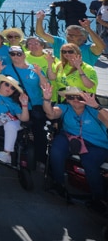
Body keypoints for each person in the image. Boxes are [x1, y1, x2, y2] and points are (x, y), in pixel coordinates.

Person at [42, 84, 108, 212]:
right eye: (71, 97)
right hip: (70, 138)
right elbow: (51, 114)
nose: (75, 100)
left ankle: (98, 197)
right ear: (67, 99)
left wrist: (96, 106)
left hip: (96, 144)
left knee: (89, 162)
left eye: (79, 97)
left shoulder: (93, 110)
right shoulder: (65, 108)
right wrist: (46, 100)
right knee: (56, 150)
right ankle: (59, 184)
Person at [35, 10, 105, 66]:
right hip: (59, 79)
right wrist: (39, 19)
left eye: (74, 35)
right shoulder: (59, 42)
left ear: (84, 37)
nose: (70, 37)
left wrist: (89, 29)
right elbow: (40, 33)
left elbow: (101, 46)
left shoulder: (89, 49)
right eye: (69, 34)